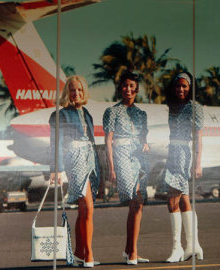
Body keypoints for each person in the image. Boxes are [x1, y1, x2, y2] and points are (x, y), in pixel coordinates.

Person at [49, 75, 100, 268]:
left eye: (79, 90)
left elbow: (92, 141)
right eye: (72, 90)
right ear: (67, 92)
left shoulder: (87, 113)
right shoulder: (60, 115)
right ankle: (89, 255)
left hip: (90, 158)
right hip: (74, 158)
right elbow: (55, 143)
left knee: (83, 208)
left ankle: (79, 252)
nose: (76, 93)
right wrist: (56, 168)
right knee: (88, 207)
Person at [103, 71, 150, 265]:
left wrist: (146, 144)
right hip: (121, 155)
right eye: (125, 85)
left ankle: (131, 250)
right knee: (134, 202)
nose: (128, 89)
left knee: (138, 203)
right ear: (120, 88)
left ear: (136, 89)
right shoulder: (112, 111)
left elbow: (143, 137)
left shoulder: (141, 114)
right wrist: (111, 167)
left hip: (138, 157)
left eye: (132, 86)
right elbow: (108, 140)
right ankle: (131, 252)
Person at [163, 72, 204, 262]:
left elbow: (198, 138)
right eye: (178, 86)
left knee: (172, 201)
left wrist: (197, 163)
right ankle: (193, 246)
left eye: (184, 86)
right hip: (172, 151)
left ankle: (177, 248)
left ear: (190, 88)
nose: (181, 89)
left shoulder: (194, 108)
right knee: (184, 199)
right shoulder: (172, 107)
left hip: (183, 154)